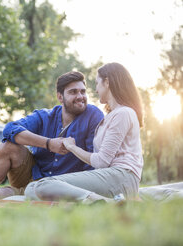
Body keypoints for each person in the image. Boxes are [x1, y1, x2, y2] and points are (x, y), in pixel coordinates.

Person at [25, 62, 143, 203]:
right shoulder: (113, 115)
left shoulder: (124, 113)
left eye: (97, 83)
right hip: (109, 177)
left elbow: (101, 162)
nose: (96, 89)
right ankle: (95, 200)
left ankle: (103, 202)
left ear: (107, 83)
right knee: (32, 188)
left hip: (121, 177)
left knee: (44, 185)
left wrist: (71, 147)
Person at [0, 71, 104, 199]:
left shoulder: (93, 115)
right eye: (73, 92)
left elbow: (92, 161)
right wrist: (48, 144)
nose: (80, 96)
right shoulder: (44, 116)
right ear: (60, 97)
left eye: (83, 91)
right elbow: (9, 129)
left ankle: (32, 196)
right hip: (32, 177)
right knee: (7, 146)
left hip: (65, 184)